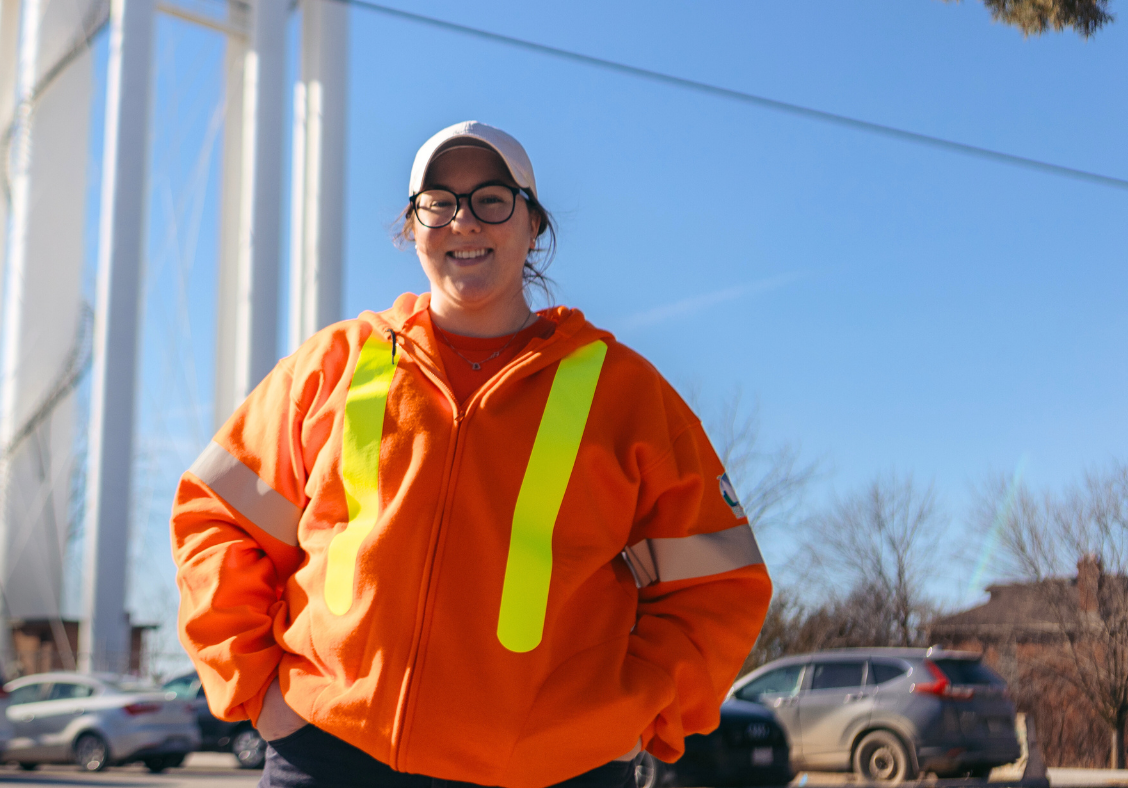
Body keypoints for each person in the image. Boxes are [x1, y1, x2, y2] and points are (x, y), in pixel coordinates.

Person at [172, 122, 771, 788]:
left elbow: (720, 582)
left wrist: (637, 719)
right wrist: (260, 692)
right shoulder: (335, 365)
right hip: (331, 754)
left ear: (532, 225)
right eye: (439, 202)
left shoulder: (622, 391)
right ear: (412, 227)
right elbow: (215, 518)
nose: (463, 221)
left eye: (492, 199)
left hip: (550, 772)